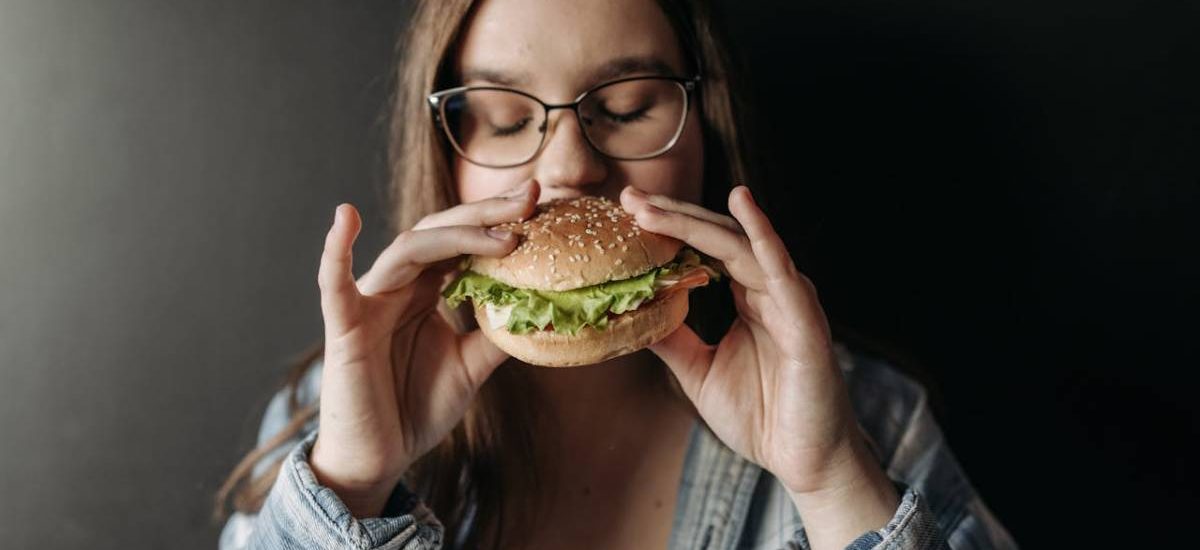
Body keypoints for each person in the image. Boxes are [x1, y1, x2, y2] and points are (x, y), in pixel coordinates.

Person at [214, 0, 1017, 548]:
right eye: (505, 118)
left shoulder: (872, 419)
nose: (569, 167)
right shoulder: (329, 419)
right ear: (446, 158)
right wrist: (353, 485)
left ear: (706, 127)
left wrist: (835, 482)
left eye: (630, 106)